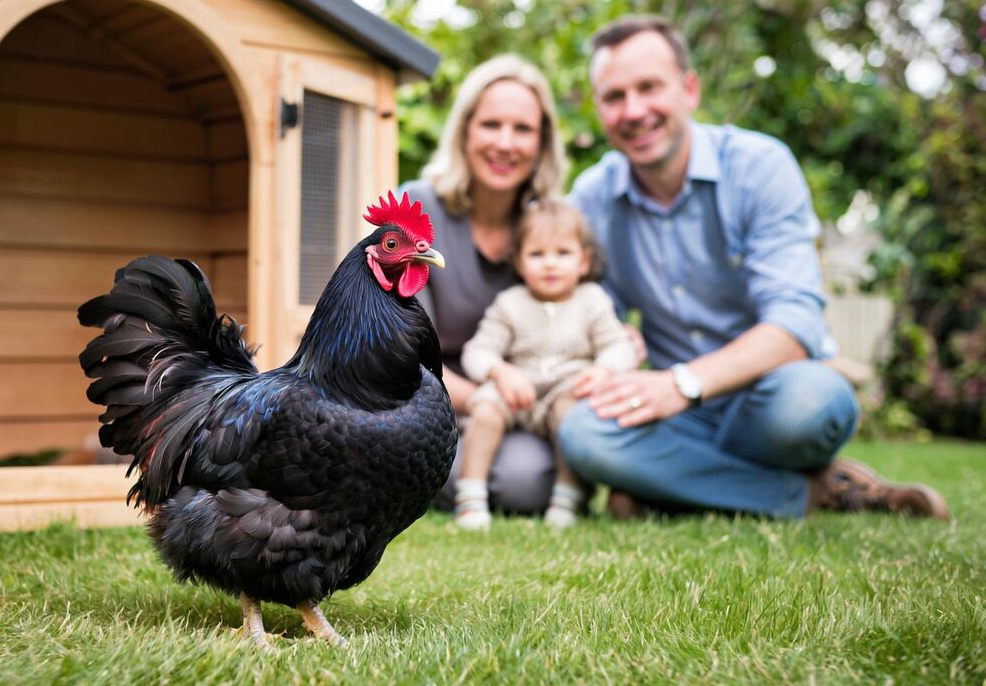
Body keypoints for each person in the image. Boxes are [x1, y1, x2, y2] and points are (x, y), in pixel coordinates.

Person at [559, 14, 949, 520]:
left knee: (812, 403)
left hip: (770, 398)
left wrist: (681, 383)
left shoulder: (760, 166)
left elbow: (796, 323)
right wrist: (613, 347)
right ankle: (814, 492)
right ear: (599, 109)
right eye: (614, 97)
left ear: (690, 90)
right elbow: (587, 315)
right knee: (583, 432)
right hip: (681, 419)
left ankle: (666, 487)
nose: (634, 111)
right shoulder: (592, 197)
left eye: (649, 88)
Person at [399, 54, 568, 515]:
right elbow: (407, 358)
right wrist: (489, 399)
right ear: (465, 130)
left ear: (542, 142)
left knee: (525, 485)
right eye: (491, 124)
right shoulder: (419, 206)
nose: (505, 143)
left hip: (517, 412)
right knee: (425, 462)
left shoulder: (549, 226)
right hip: (426, 404)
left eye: (523, 129)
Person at [454, 199, 636, 530]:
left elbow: (620, 347)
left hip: (567, 392)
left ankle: (567, 498)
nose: (550, 264)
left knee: (573, 413)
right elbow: (477, 351)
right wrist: (500, 371)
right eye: (537, 254)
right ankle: (470, 497)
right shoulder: (510, 303)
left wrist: (603, 370)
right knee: (485, 408)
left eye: (563, 253)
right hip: (517, 395)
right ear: (519, 263)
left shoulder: (592, 300)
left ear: (584, 261)